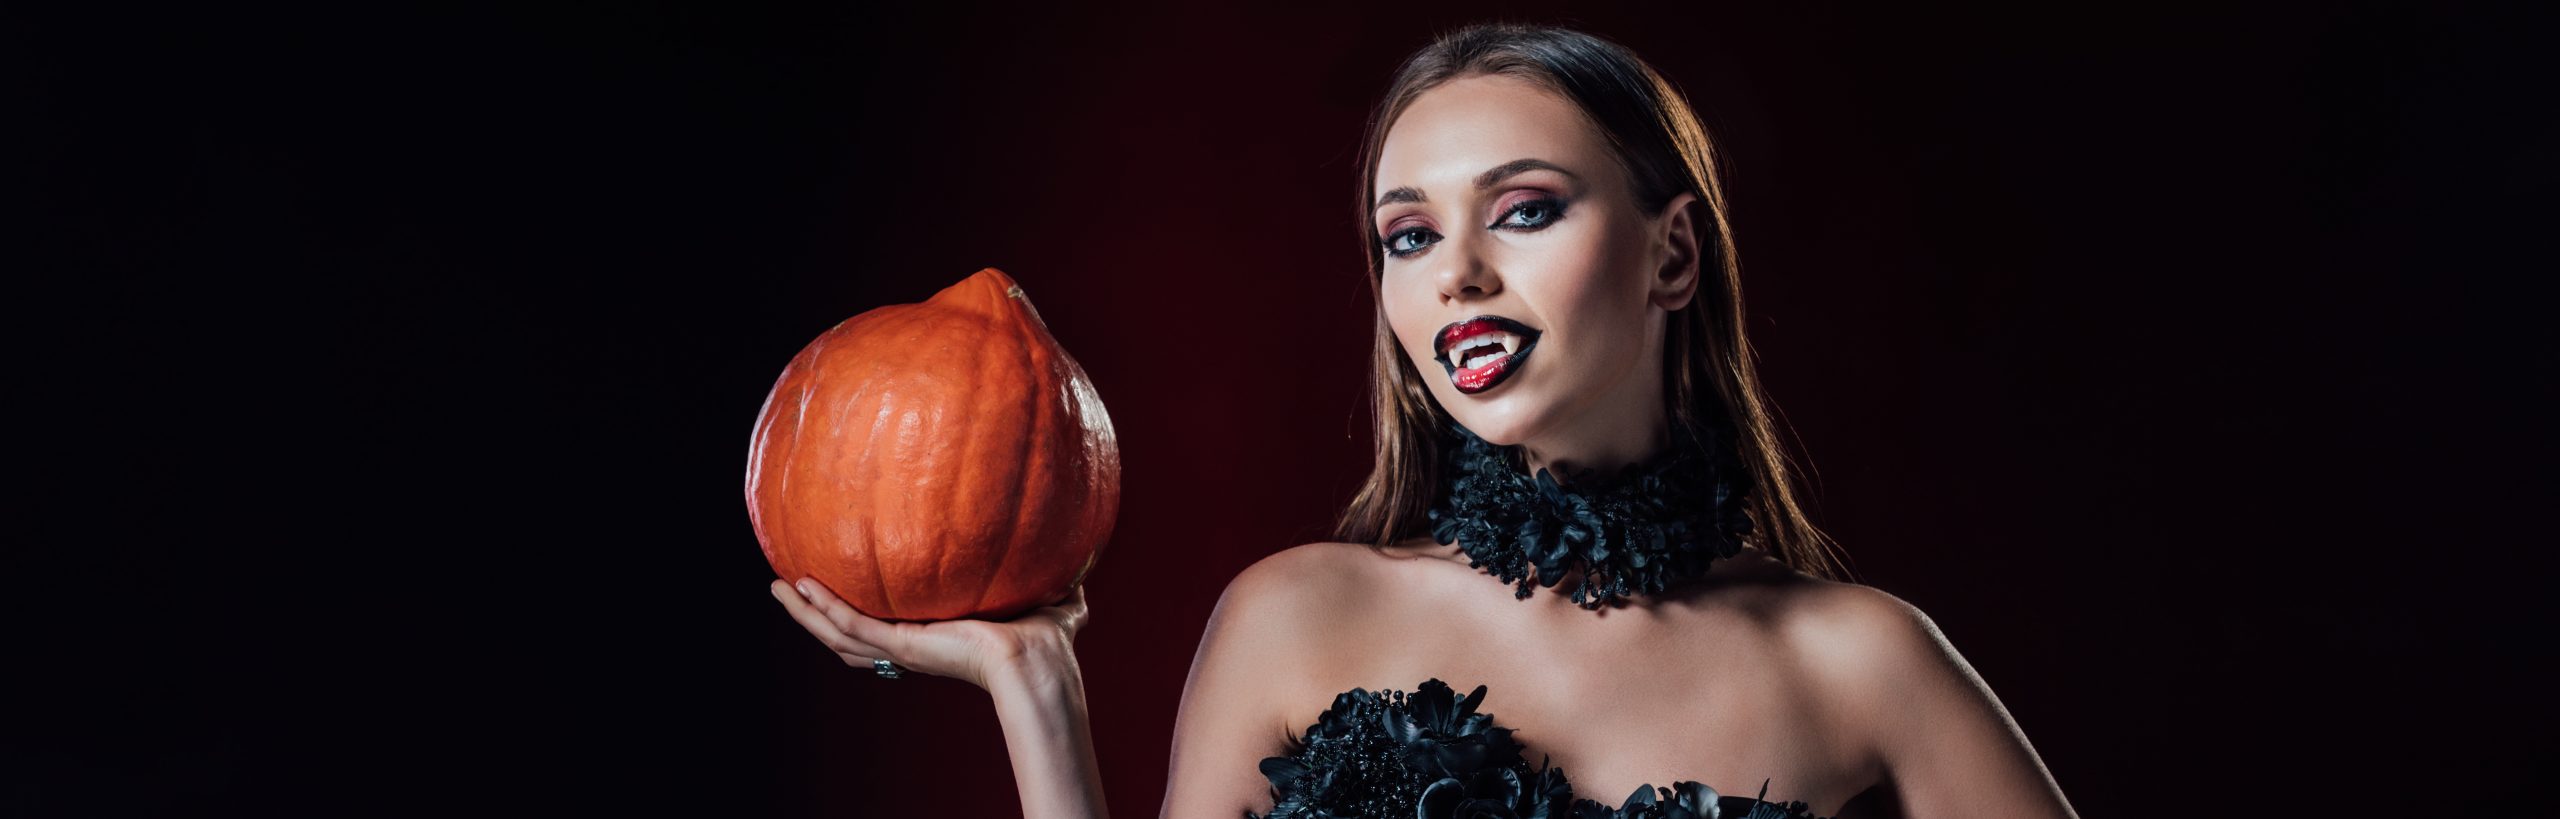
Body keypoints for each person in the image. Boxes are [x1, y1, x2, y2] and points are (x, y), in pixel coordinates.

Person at [771, 23, 2077, 819]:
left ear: (1674, 256)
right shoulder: (1297, 615)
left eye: (1522, 209)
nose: (1454, 273)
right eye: (1407, 233)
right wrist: (1036, 688)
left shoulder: (1861, 662)